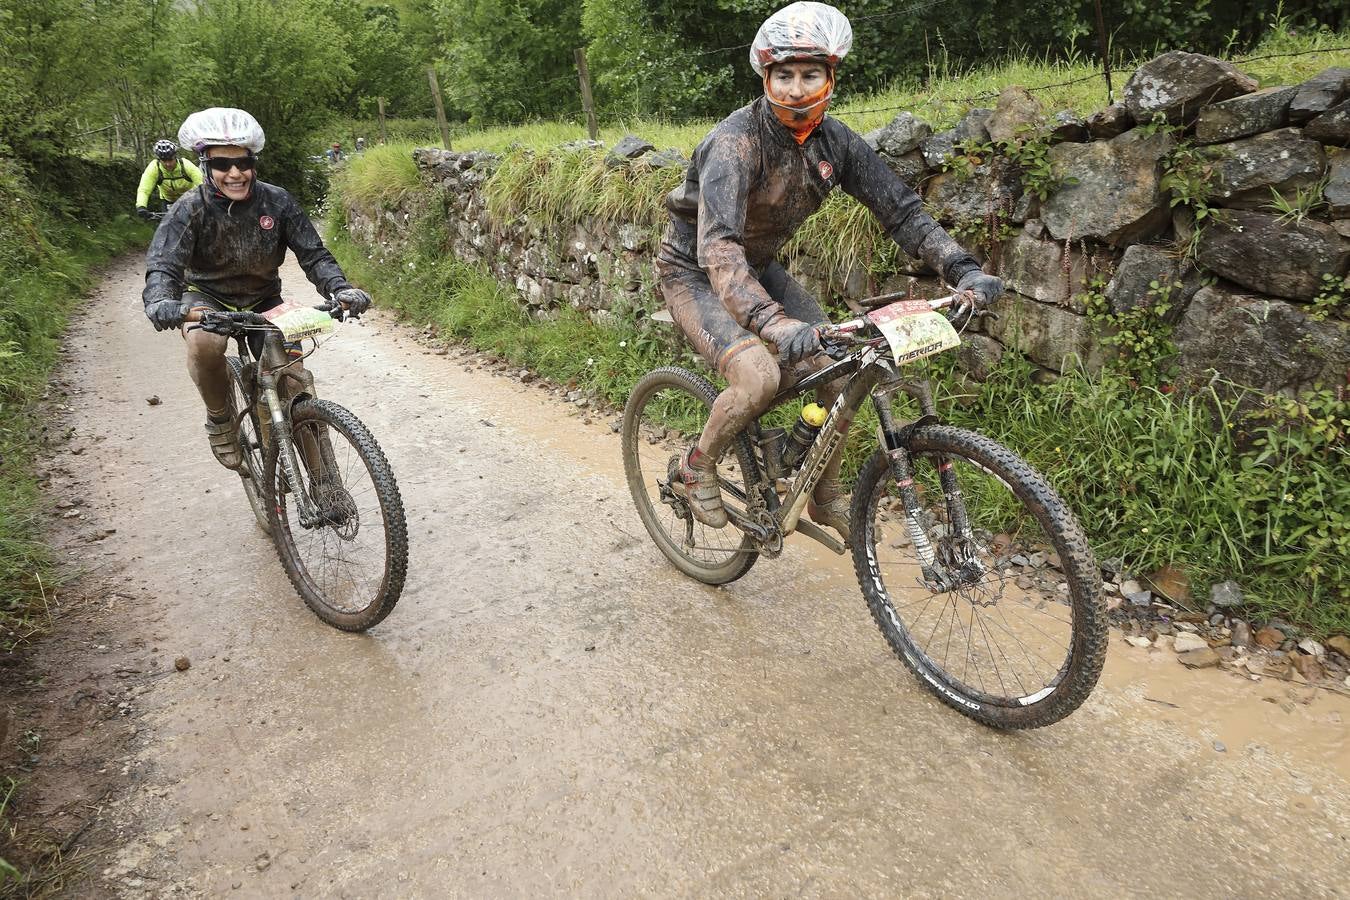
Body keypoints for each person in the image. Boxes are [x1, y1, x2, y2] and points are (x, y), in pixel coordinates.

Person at [656, 1, 1002, 542]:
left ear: (830, 76)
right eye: (784, 75)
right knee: (759, 377)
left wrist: (963, 268)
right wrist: (774, 325)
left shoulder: (835, 142)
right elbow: (719, 249)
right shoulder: (734, 143)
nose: (796, 89)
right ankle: (696, 464)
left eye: (809, 74)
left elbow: (901, 211)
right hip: (695, 270)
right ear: (766, 77)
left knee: (839, 369)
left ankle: (824, 492)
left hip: (759, 267)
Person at [141, 107, 372, 469]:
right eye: (222, 164)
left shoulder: (276, 201)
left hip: (265, 299)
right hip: (206, 299)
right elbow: (163, 265)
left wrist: (339, 289)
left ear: (253, 163)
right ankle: (220, 419)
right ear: (205, 165)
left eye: (242, 163)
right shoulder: (189, 209)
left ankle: (325, 483)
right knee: (204, 343)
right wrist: (161, 301)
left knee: (293, 385)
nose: (234, 173)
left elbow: (314, 254)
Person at [135, 139, 203, 219]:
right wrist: (141, 206)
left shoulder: (186, 166)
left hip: (189, 199)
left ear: (175, 157)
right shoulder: (154, 168)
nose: (168, 164)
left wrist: (207, 201)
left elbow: (203, 185)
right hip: (168, 201)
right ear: (159, 159)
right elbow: (144, 190)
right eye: (164, 160)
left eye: (170, 159)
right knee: (166, 226)